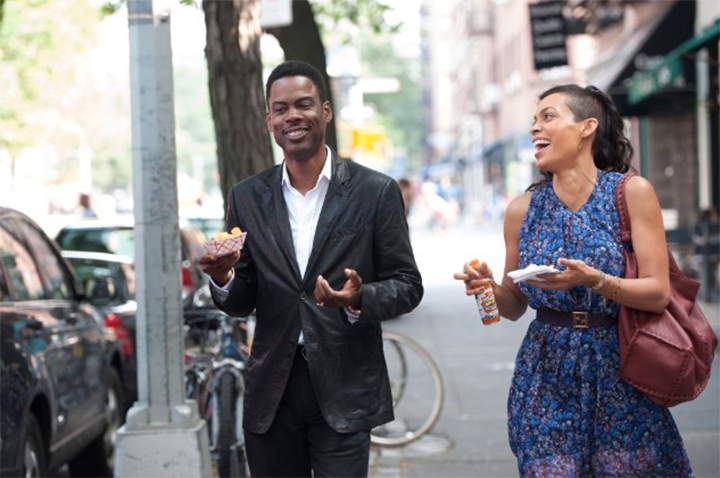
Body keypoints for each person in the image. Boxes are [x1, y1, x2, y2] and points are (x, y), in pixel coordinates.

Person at [454, 84, 693, 477]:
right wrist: (487, 290)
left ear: (587, 128)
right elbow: (513, 306)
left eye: (548, 116)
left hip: (622, 367)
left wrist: (595, 280)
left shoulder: (631, 193)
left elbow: (657, 292)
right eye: (533, 121)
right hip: (545, 372)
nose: (535, 128)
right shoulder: (521, 210)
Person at [199, 60, 423, 478]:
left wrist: (359, 298)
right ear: (269, 120)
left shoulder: (375, 191)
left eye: (303, 104)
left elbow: (408, 286)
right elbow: (243, 298)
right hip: (273, 389)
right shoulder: (247, 197)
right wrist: (224, 277)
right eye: (280, 109)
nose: (292, 116)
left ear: (325, 110)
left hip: (345, 384)